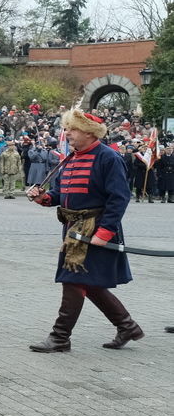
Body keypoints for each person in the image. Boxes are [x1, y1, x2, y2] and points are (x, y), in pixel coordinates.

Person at [26, 110, 144, 352]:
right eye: (67, 128)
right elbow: (59, 194)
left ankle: (60, 337)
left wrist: (104, 233)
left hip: (95, 228)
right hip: (73, 229)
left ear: (90, 132)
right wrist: (43, 197)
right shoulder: (70, 158)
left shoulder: (108, 158)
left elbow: (119, 198)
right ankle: (127, 326)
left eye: (73, 129)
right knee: (87, 282)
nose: (67, 133)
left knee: (74, 279)